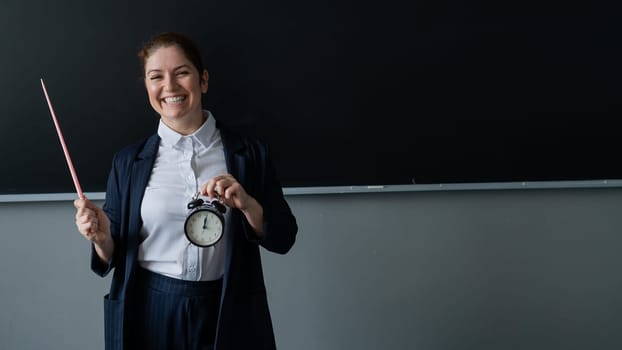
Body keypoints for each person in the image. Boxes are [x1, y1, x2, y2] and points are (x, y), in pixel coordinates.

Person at [74, 32, 298, 350]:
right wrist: (99, 237)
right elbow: (112, 250)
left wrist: (248, 204)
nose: (170, 86)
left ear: (203, 80)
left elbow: (284, 237)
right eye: (157, 77)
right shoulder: (128, 161)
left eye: (182, 72)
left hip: (226, 305)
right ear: (148, 88)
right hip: (149, 308)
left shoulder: (249, 153)